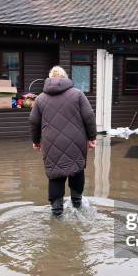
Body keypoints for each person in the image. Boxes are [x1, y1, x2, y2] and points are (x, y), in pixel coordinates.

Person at [29, 66, 97, 217]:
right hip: (76, 140)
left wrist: (36, 141)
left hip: (50, 142)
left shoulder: (40, 99)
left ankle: (57, 213)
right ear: (65, 78)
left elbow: (34, 122)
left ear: (49, 78)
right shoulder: (77, 94)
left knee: (55, 175)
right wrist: (92, 137)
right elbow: (89, 116)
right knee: (77, 170)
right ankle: (77, 206)